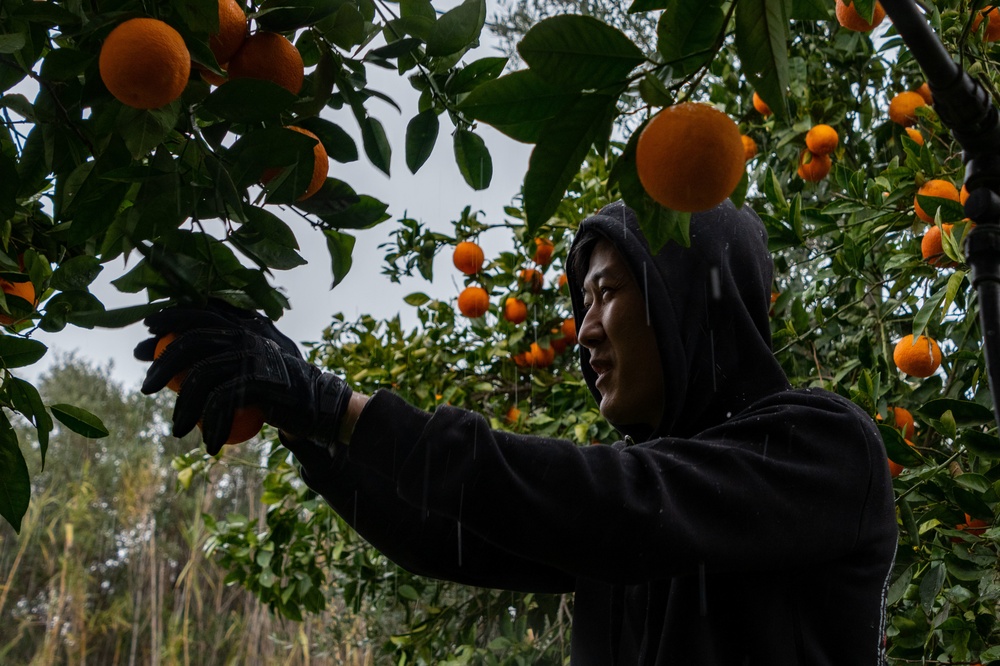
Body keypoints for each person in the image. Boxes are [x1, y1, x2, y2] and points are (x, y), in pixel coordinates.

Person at [136, 200, 897, 664]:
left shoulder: (822, 447)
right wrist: (304, 422)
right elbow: (443, 534)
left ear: (687, 295)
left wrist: (336, 406)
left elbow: (626, 505)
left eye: (606, 294)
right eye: (580, 304)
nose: (585, 332)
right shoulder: (622, 518)